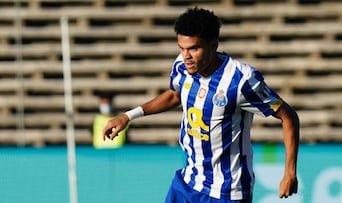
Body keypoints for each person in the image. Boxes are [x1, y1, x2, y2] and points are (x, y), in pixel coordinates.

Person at [103, 7, 299, 203]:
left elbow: (288, 116)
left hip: (227, 192)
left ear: (213, 46)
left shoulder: (241, 80)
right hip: (188, 181)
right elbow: (174, 95)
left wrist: (289, 172)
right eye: (182, 48)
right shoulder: (182, 65)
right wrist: (128, 116)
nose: (186, 55)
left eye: (194, 48)